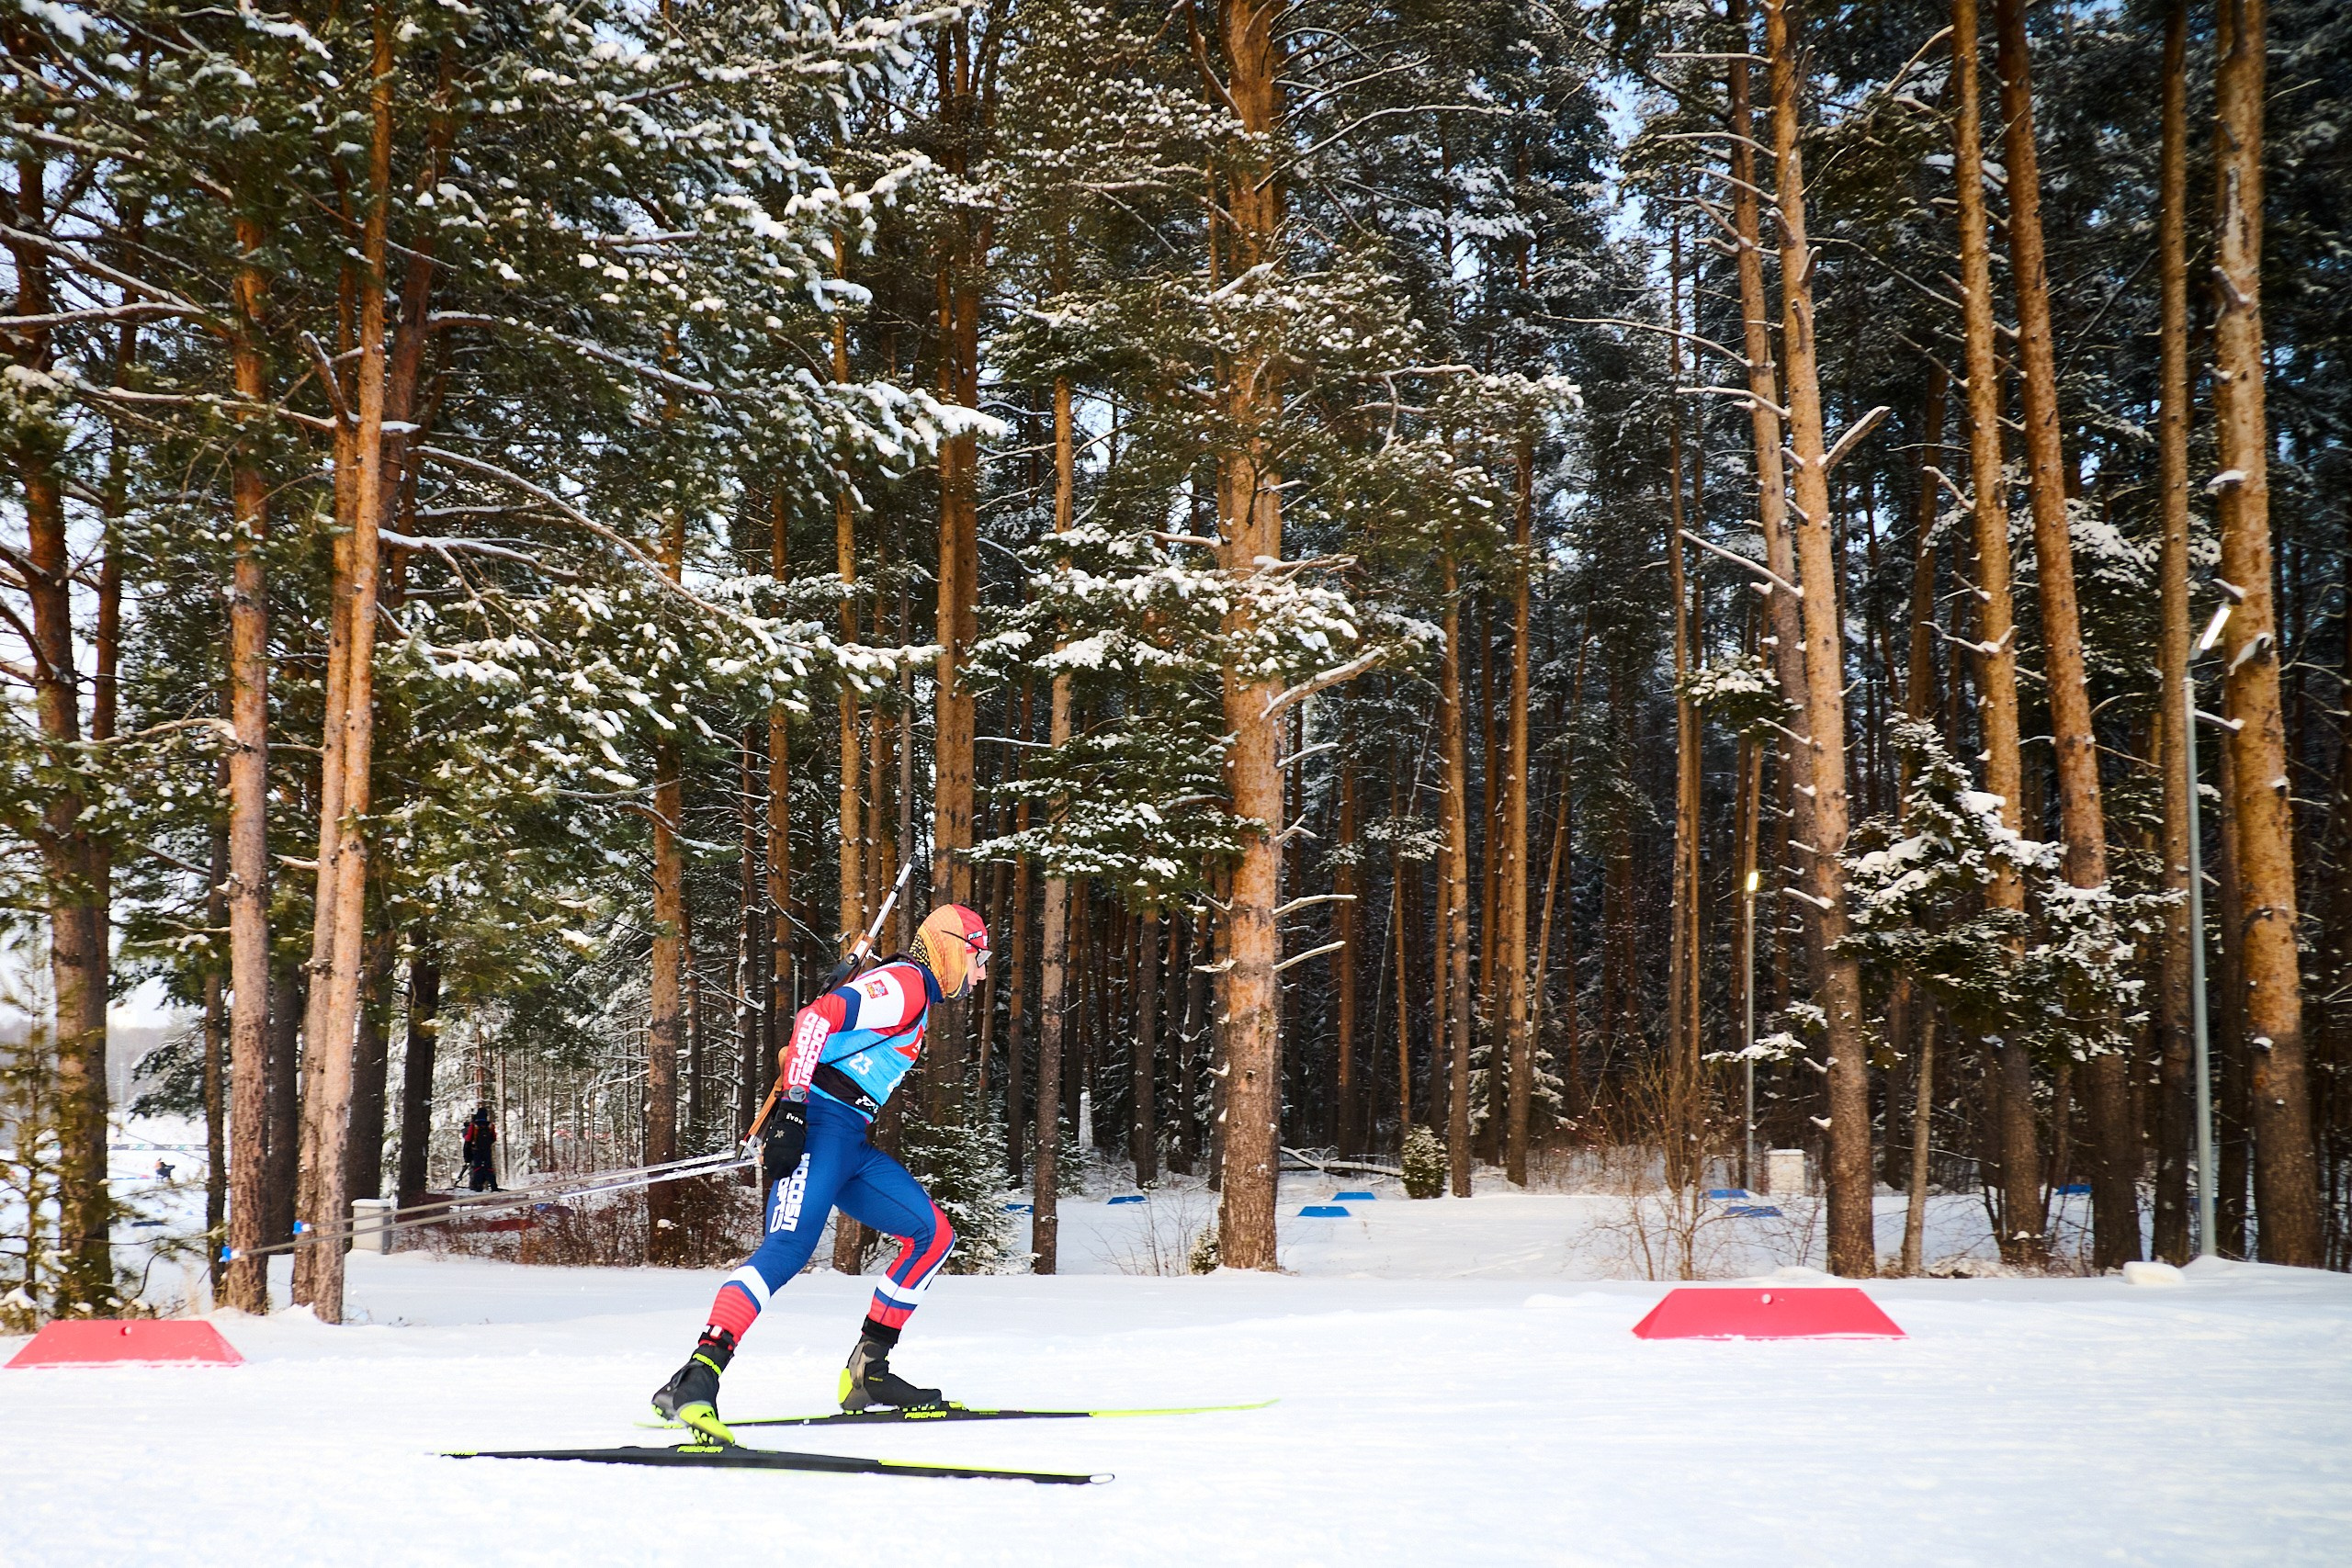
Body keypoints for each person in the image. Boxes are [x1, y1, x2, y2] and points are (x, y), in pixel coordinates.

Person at [651, 903, 990, 1445]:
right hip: (818, 1124)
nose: (979, 975)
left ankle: (867, 1373)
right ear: (951, 948)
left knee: (932, 1236)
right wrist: (791, 1108)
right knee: (787, 1249)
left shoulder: (916, 994)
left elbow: (829, 1033)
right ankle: (696, 1377)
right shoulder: (905, 983)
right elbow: (814, 1019)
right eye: (979, 959)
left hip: (850, 1139)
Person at [461, 1105, 498, 1191]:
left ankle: (478, 1186)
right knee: (489, 1168)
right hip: (487, 1150)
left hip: (476, 1150)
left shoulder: (474, 1125)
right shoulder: (490, 1125)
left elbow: (468, 1138)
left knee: (477, 1168)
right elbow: (494, 1138)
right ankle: (493, 1186)